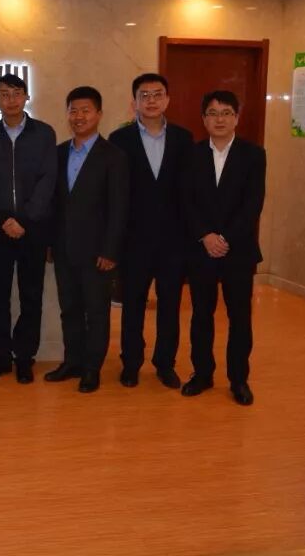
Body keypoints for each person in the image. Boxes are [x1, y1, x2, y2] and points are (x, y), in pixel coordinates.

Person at [108, 73, 193, 389]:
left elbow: (189, 193)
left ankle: (165, 364)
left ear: (167, 99)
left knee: (170, 306)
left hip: (174, 241)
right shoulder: (120, 140)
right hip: (134, 240)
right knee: (132, 306)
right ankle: (131, 363)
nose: (151, 100)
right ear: (134, 103)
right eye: (144, 95)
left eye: (158, 94)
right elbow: (116, 193)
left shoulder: (184, 139)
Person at [181, 90, 266, 406]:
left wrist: (225, 238)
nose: (220, 119)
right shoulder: (190, 154)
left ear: (237, 118)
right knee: (201, 315)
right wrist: (205, 235)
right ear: (203, 119)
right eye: (213, 113)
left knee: (239, 317)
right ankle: (202, 374)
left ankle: (239, 379)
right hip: (200, 249)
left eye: (226, 113)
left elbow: (253, 203)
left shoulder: (254, 155)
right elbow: (185, 201)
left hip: (238, 250)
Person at [45, 86, 128, 393]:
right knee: (69, 308)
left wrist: (111, 250)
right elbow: (53, 204)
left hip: (98, 252)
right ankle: (73, 361)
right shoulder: (58, 153)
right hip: (63, 248)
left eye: (85, 110)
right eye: (73, 111)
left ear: (99, 114)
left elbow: (119, 208)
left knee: (96, 311)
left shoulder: (114, 157)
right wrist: (50, 243)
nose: (79, 116)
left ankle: (92, 368)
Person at [0, 73, 57, 384]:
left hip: (33, 229)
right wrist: (3, 219)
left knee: (31, 296)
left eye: (16, 93)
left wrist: (24, 219)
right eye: (3, 94)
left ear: (26, 96)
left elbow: (48, 179)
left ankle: (25, 357)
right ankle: (0, 358)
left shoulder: (43, 133)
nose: (10, 99)